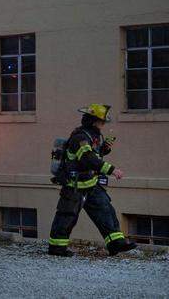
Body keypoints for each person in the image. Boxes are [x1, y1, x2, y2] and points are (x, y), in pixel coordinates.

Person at [47, 103, 137, 257]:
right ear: (93, 120)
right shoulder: (80, 137)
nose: (103, 125)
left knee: (106, 211)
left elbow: (94, 154)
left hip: (91, 183)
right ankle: (57, 248)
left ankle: (115, 243)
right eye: (101, 122)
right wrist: (112, 170)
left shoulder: (92, 136)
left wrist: (104, 149)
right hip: (74, 186)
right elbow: (88, 159)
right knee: (67, 217)